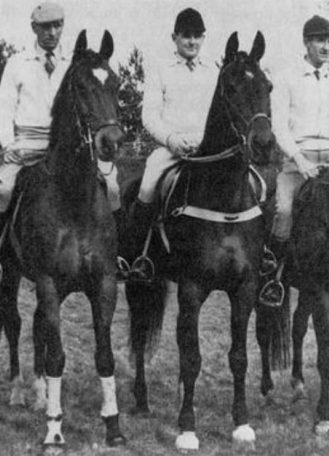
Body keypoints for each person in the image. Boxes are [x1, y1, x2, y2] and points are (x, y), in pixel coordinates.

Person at [0, 2, 121, 287]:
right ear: (34, 28)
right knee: (2, 190)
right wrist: (9, 144)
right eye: (45, 26)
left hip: (69, 145)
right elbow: (3, 110)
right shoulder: (17, 63)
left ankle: (117, 257)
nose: (52, 32)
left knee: (113, 187)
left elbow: (88, 104)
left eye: (57, 26)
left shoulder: (76, 63)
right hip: (27, 143)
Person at [258, 15, 329, 306]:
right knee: (283, 210)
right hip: (298, 161)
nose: (326, 46)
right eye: (320, 40)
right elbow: (280, 128)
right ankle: (274, 276)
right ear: (306, 43)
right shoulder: (286, 79)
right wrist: (301, 161)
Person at [121, 7, 219, 282]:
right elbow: (149, 115)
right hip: (170, 146)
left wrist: (204, 141)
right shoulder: (160, 69)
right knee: (148, 183)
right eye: (186, 36)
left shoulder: (213, 71)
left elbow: (216, 115)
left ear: (203, 38)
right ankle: (136, 254)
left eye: (197, 36)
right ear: (174, 37)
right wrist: (172, 140)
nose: (192, 42)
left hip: (205, 149)